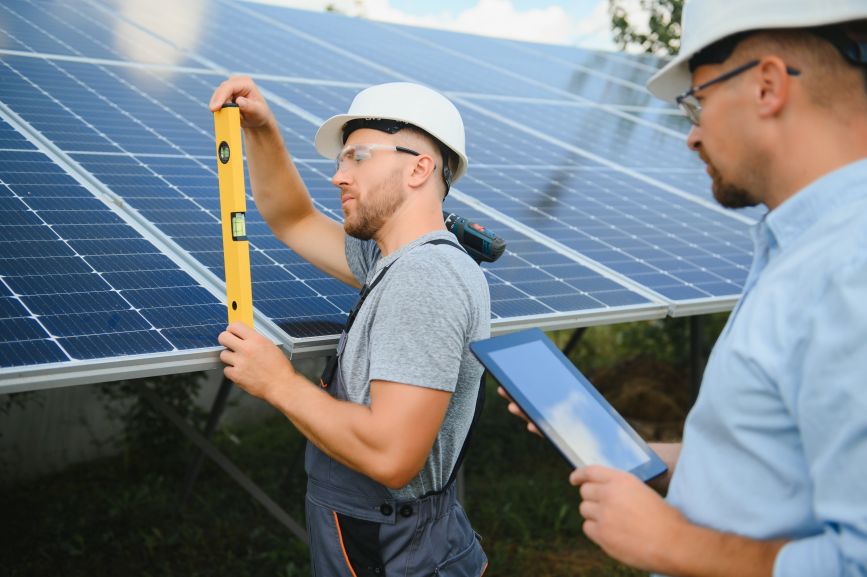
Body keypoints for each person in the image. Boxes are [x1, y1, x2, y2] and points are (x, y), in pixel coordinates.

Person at [502, 0, 867, 575]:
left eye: (697, 102)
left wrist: (672, 543)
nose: (691, 136)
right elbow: (776, 464)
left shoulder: (849, 272)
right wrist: (642, 458)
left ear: (767, 86)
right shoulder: (801, 251)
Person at [209, 79, 490, 576]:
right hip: (387, 540)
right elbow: (292, 218)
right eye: (341, 161)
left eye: (357, 156)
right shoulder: (393, 260)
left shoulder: (425, 278)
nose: (338, 176)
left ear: (419, 167)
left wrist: (276, 382)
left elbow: (391, 455)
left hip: (393, 553)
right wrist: (263, 129)